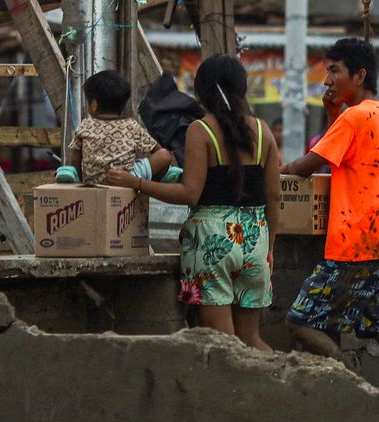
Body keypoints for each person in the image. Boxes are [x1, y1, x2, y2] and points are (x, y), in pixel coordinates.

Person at [107, 55, 280, 352]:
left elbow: (190, 194)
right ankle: (280, 390)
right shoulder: (263, 131)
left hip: (212, 242)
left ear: (201, 92)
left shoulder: (201, 131)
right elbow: (274, 198)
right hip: (256, 241)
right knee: (252, 341)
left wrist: (136, 183)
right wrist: (270, 247)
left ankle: (229, 399)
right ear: (243, 89)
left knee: (224, 347)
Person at [281, 37, 379, 387]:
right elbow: (353, 156)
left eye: (335, 71)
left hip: (353, 245)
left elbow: (308, 166)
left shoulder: (353, 117)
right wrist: (332, 114)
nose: (327, 81)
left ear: (359, 75)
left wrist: (276, 172)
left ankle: (346, 378)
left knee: (300, 321)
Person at [66, 70, 173, 184]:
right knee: (164, 155)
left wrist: (79, 180)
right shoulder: (131, 126)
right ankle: (161, 178)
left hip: (92, 183)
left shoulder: (85, 125)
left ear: (94, 104)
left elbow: (75, 160)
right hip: (126, 180)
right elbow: (157, 150)